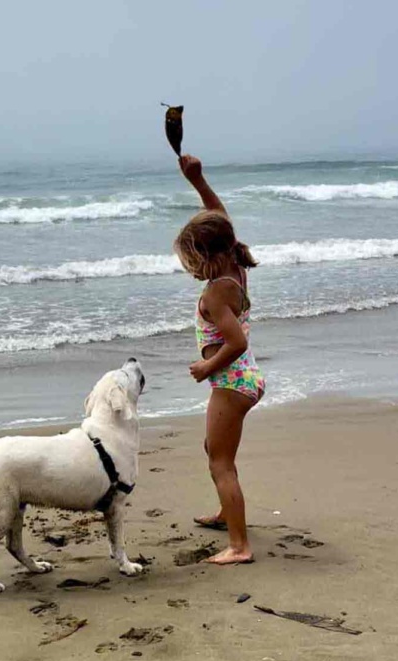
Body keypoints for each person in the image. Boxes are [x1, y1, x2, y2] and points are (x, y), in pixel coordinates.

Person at [174, 154, 265, 565]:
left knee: (220, 463)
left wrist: (206, 367)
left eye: (191, 260)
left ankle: (239, 546)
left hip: (231, 381)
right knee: (214, 447)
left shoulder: (215, 292)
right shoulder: (235, 266)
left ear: (207, 257)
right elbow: (219, 218)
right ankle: (228, 514)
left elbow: (236, 343)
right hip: (242, 380)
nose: (189, 268)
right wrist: (198, 179)